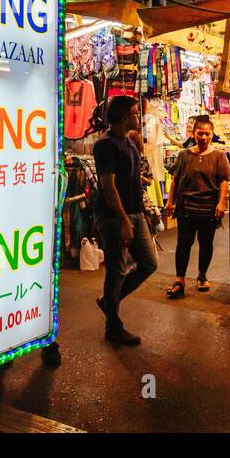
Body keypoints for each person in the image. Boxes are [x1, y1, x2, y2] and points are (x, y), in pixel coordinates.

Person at [92, 95, 158, 346]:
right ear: (121, 116)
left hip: (134, 212)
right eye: (133, 112)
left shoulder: (130, 142)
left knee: (149, 263)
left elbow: (133, 181)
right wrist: (123, 220)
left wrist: (142, 214)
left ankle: (109, 302)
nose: (137, 116)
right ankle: (113, 325)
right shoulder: (106, 145)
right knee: (117, 269)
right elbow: (108, 188)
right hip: (114, 215)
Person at [165, 116, 230, 299]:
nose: (203, 137)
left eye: (207, 134)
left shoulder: (219, 156)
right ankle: (180, 279)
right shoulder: (184, 155)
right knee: (183, 244)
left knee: (206, 244)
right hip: (186, 208)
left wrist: (221, 202)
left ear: (212, 135)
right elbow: (175, 180)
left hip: (208, 208)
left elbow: (224, 181)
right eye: (200, 133)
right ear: (193, 134)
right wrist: (170, 201)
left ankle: (202, 275)